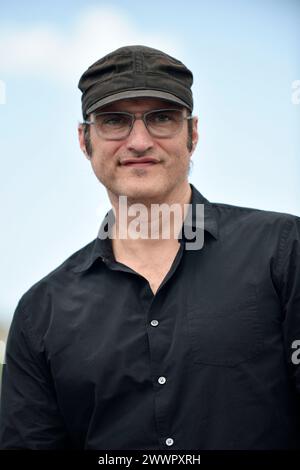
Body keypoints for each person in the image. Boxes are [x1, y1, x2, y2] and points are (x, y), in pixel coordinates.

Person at [0, 45, 300, 451]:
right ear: (83, 139)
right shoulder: (41, 313)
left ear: (192, 133)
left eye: (161, 118)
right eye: (114, 121)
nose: (139, 141)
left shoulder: (284, 252)